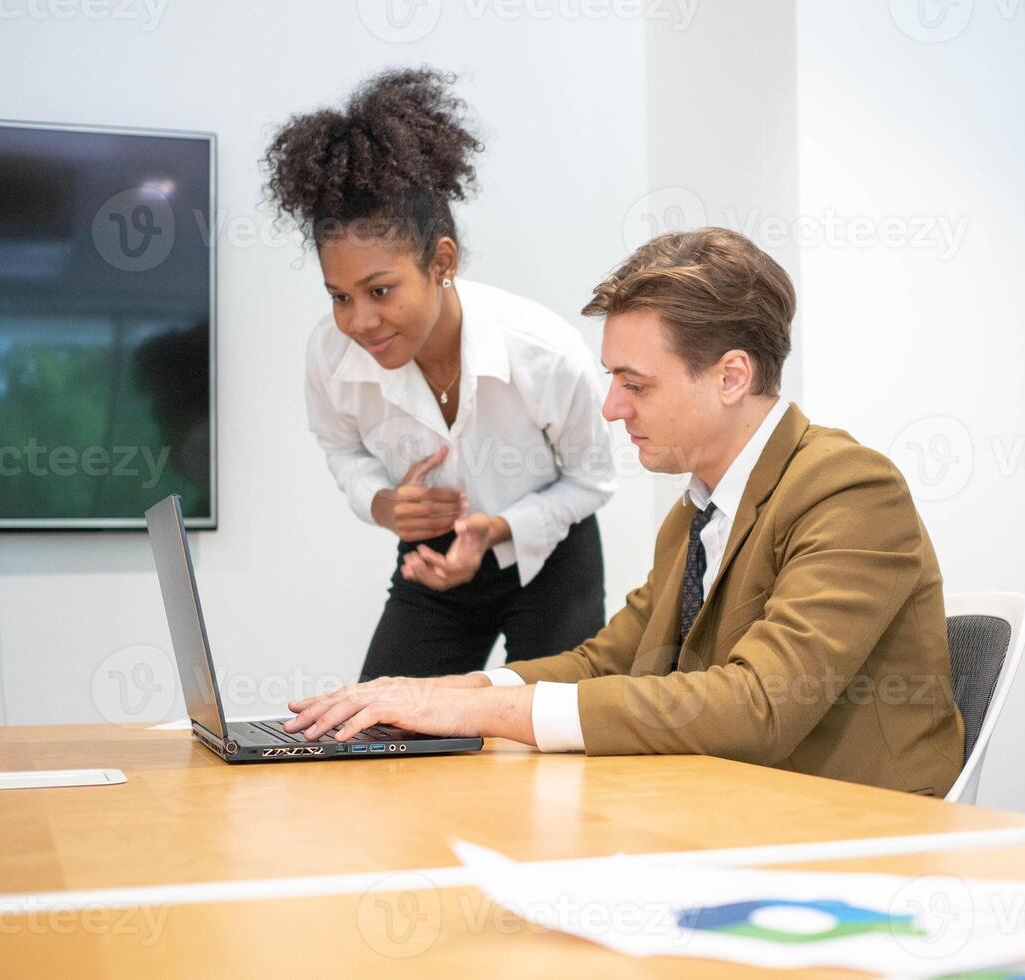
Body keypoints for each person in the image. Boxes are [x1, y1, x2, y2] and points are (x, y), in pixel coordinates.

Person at [286, 227, 965, 794]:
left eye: (634, 384)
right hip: (731, 812)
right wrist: (439, 693)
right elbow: (608, 660)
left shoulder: (847, 490)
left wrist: (477, 706)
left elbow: (758, 706)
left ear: (731, 376)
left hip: (851, 842)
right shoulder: (697, 511)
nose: (611, 408)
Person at [263, 68, 615, 680]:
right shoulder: (330, 356)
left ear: (441, 262)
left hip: (550, 559)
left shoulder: (542, 351)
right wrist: (382, 505)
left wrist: (499, 527)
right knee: (381, 737)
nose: (360, 320)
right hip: (431, 562)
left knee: (547, 739)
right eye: (339, 296)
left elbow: (593, 479)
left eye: (379, 290)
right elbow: (341, 448)